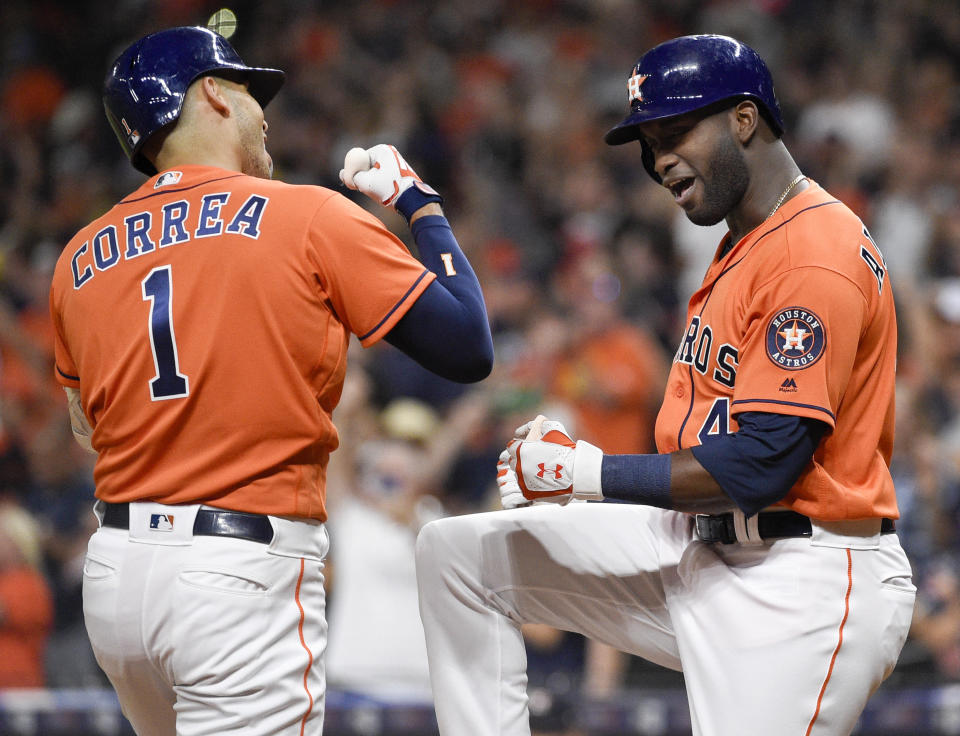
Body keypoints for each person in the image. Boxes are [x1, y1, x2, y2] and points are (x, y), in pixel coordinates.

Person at [415, 34, 915, 736]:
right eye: (649, 144)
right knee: (460, 557)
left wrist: (582, 472)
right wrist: (581, 465)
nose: (660, 161)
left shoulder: (813, 250)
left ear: (744, 119)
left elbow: (764, 461)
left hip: (800, 577)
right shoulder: (749, 241)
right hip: (698, 545)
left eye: (675, 132)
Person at [48, 26, 492, 736]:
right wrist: (420, 204)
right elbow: (469, 345)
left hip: (118, 573)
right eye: (251, 93)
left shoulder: (77, 256)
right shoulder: (304, 214)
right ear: (215, 96)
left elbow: (84, 425)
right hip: (235, 568)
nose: (265, 113)